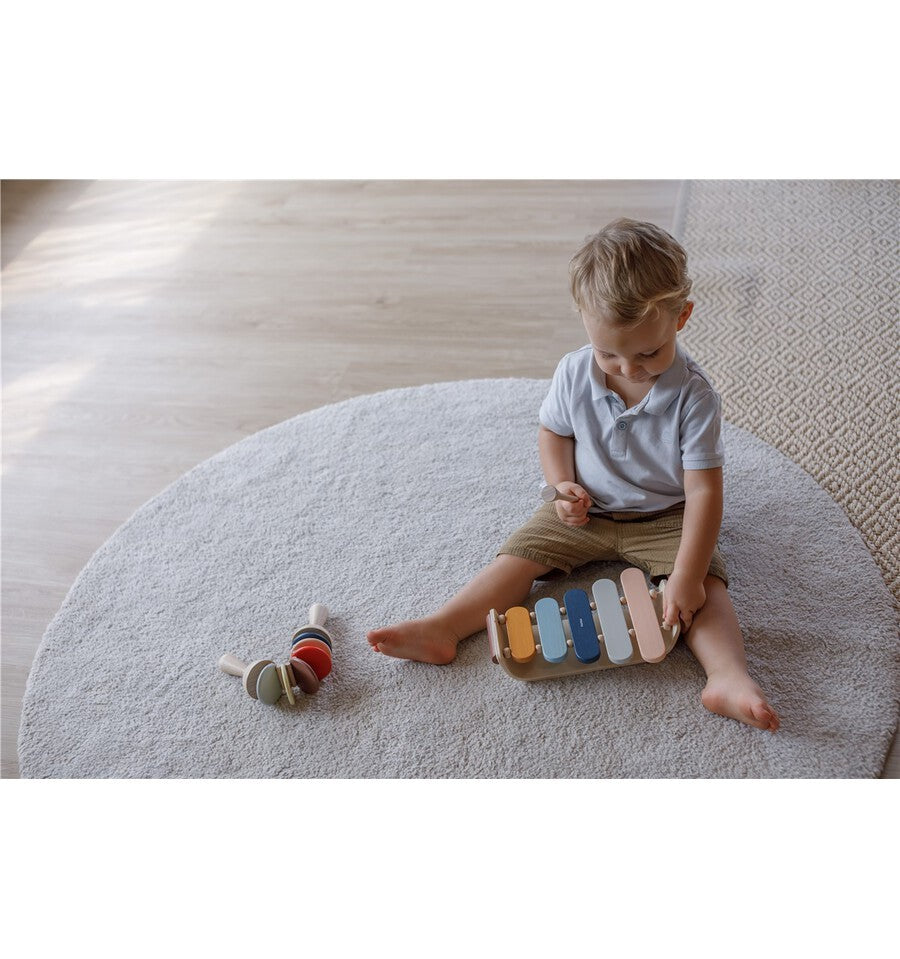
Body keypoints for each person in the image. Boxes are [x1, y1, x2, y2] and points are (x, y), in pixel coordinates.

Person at [367, 218, 780, 733]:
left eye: (648, 353)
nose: (627, 368)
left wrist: (689, 575)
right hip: (587, 509)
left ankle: (727, 676)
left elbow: (703, 491)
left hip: (665, 515)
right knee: (516, 558)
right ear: (584, 322)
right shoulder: (573, 372)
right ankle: (444, 628)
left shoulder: (695, 397)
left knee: (706, 589)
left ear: (682, 317)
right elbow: (554, 432)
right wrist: (562, 485)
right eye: (608, 353)